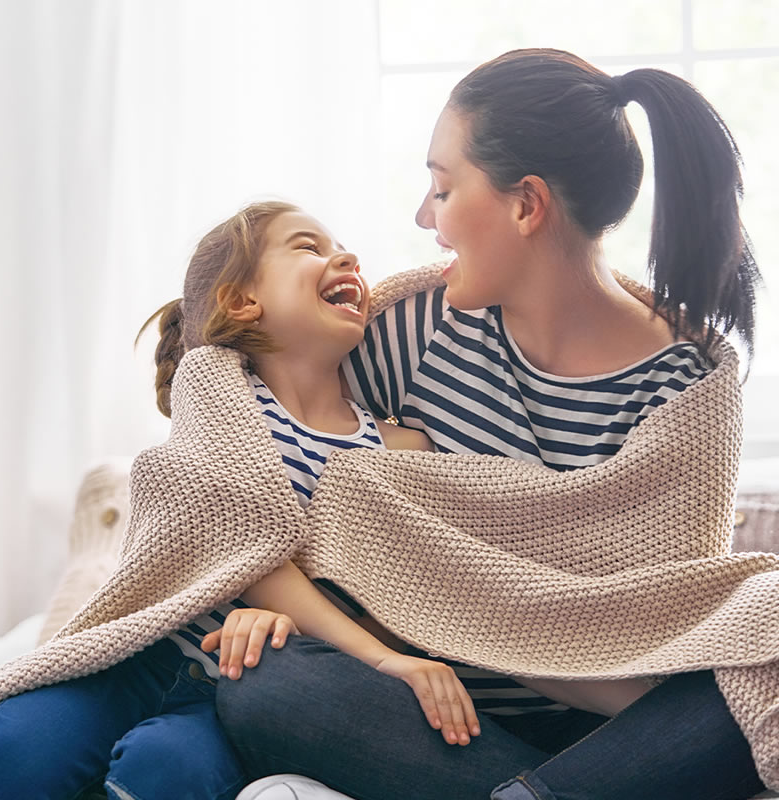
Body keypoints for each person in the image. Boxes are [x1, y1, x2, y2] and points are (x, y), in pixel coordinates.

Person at [214, 49, 766, 800]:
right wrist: (262, 599)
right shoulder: (413, 329)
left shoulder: (689, 385)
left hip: (612, 732)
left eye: (442, 188)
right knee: (267, 686)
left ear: (525, 205)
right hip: (435, 717)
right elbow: (256, 453)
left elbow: (659, 635)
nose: (422, 217)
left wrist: (501, 617)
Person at [0, 201, 491, 800]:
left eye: (341, 248)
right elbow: (237, 535)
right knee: (9, 747)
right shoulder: (217, 388)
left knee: (165, 770)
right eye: (308, 247)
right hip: (148, 656)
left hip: (242, 687)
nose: (344, 258)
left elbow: (405, 591)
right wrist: (373, 655)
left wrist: (335, 646)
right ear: (243, 302)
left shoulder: (401, 448)